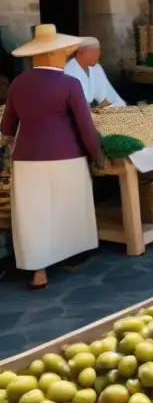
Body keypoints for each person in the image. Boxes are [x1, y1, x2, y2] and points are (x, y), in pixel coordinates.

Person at [1, 25, 104, 289]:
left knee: (34, 214)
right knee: (67, 207)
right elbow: (85, 126)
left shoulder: (18, 83)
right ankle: (70, 255)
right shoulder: (69, 83)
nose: (66, 56)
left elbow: (7, 126)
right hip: (66, 156)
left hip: (26, 159)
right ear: (51, 54)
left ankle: (39, 271)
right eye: (63, 53)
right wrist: (96, 154)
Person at [64, 37, 126, 107]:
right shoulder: (69, 70)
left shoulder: (96, 68)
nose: (98, 54)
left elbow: (108, 96)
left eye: (98, 50)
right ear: (81, 50)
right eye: (94, 51)